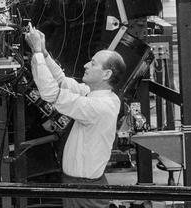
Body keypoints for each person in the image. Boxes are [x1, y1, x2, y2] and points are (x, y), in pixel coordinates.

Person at [25, 24, 126, 208]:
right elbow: (62, 82)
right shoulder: (97, 95)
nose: (86, 65)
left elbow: (51, 93)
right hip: (78, 186)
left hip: (85, 191)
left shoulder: (98, 106)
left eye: (93, 63)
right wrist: (45, 54)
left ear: (107, 74)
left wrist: (37, 53)